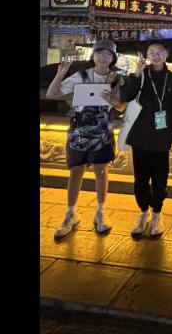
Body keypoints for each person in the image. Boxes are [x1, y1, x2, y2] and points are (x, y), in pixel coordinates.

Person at [45, 39, 123, 237]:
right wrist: (61, 73)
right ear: (93, 56)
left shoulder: (116, 78)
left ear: (113, 58)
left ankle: (100, 212)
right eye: (99, 53)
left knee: (101, 170)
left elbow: (121, 106)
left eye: (108, 54)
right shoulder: (81, 75)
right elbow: (52, 94)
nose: (103, 57)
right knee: (76, 171)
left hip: (103, 131)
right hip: (79, 130)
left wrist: (113, 100)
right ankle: (70, 213)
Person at [116, 40, 172, 236]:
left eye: (160, 51)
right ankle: (143, 211)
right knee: (141, 179)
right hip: (141, 135)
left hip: (162, 137)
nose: (156, 55)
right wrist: (136, 74)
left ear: (167, 54)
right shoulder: (141, 75)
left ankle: (157, 214)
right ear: (146, 55)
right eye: (152, 52)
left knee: (160, 179)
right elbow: (126, 96)